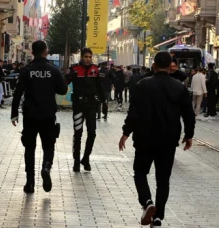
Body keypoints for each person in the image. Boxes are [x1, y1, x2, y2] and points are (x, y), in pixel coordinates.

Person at [119, 51, 195, 227]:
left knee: (140, 173)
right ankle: (158, 216)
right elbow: (188, 114)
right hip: (168, 140)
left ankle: (147, 202)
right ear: (171, 67)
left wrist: (126, 133)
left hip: (144, 138)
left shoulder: (142, 85)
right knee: (163, 180)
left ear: (153, 66)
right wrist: (189, 135)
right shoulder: (179, 87)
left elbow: (133, 112)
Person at [11, 40, 67, 193]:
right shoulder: (53, 70)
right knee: (48, 145)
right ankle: (46, 167)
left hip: (30, 115)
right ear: (45, 51)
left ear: (32, 52)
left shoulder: (27, 70)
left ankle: (29, 183)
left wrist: (14, 113)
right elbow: (63, 90)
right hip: (48, 115)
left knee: (29, 148)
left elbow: (18, 92)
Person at [65, 48, 106, 172]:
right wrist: (68, 76)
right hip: (78, 105)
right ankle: (76, 162)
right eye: (86, 57)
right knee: (78, 133)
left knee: (92, 133)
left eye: (90, 57)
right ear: (81, 57)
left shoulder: (95, 69)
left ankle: (86, 158)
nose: (88, 59)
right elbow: (64, 83)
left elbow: (99, 87)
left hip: (92, 105)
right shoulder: (74, 69)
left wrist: (104, 101)